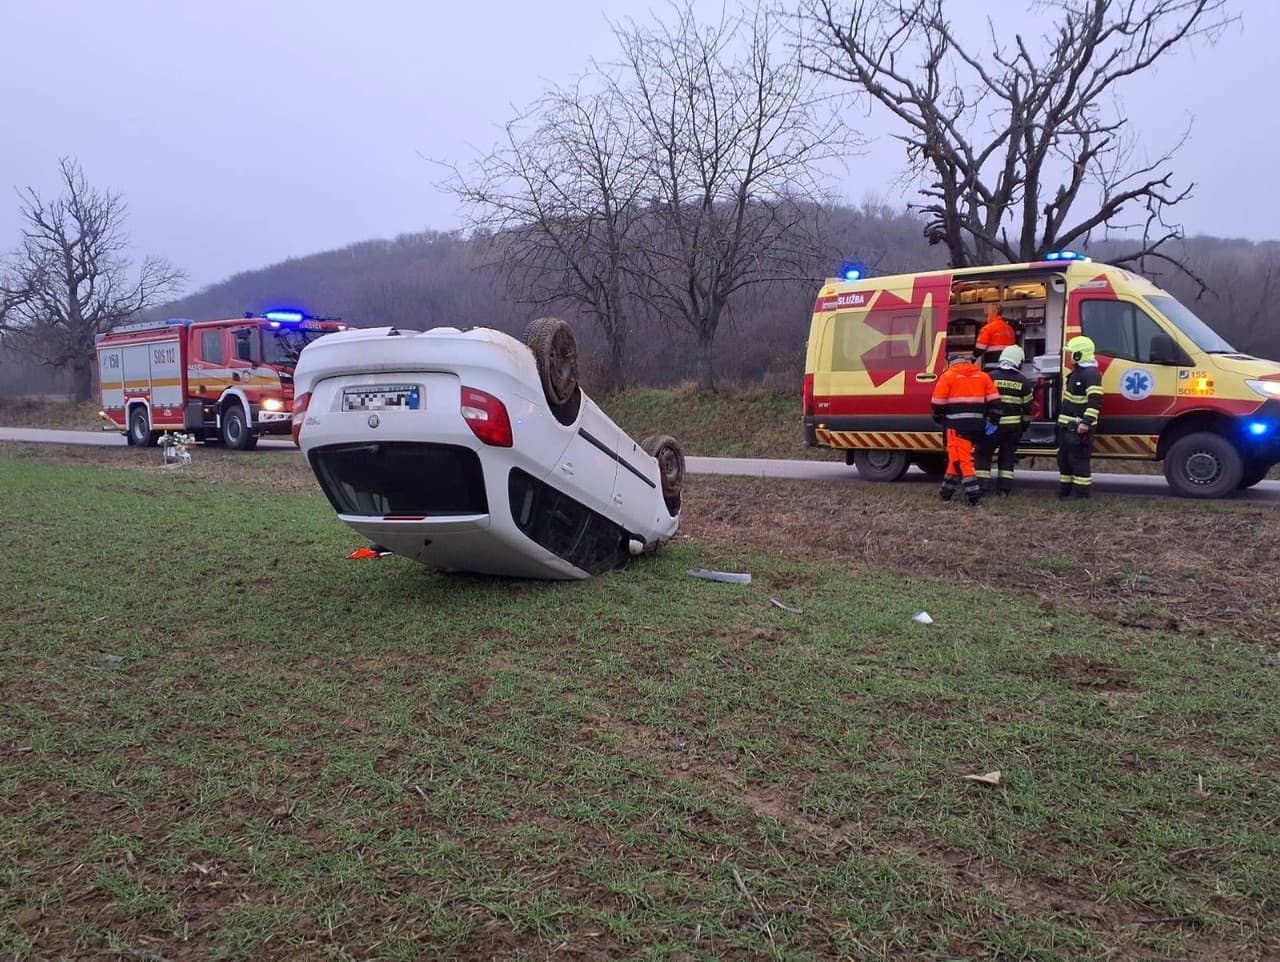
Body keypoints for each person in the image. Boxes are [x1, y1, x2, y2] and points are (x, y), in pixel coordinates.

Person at [931, 351, 1001, 506]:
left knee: (961, 461)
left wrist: (939, 418)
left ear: (951, 363)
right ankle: (946, 494)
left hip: (956, 426)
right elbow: (995, 402)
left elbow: (937, 403)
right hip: (977, 426)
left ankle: (973, 495)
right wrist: (994, 420)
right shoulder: (983, 376)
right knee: (955, 459)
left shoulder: (948, 376)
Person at [975, 345, 1035, 495]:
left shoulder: (988, 377)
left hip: (990, 427)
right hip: (1012, 430)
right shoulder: (1024, 382)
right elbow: (1028, 409)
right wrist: (1024, 426)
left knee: (983, 455)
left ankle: (981, 488)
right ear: (1018, 362)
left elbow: (979, 402)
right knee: (1007, 457)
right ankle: (1004, 490)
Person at [1057, 335, 1103, 499]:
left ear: (1079, 354)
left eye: (1072, 353)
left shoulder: (1091, 374)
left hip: (1079, 427)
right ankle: (1065, 493)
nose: (1070, 357)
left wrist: (1086, 422)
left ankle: (1081, 495)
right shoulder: (1078, 373)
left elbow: (1095, 401)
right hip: (1068, 427)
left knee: (1079, 462)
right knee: (1064, 460)